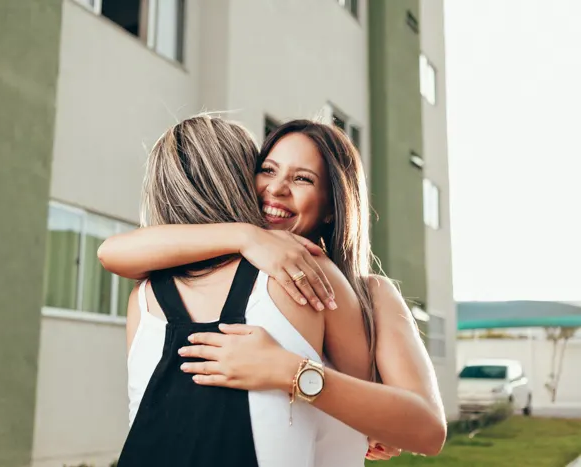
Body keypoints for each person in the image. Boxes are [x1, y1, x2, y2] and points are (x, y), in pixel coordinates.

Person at [100, 117, 447, 462]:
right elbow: (111, 252)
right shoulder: (196, 273)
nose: (277, 189)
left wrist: (288, 371)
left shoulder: (367, 293)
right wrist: (245, 235)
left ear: (331, 207)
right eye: (267, 170)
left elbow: (427, 429)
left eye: (302, 178)